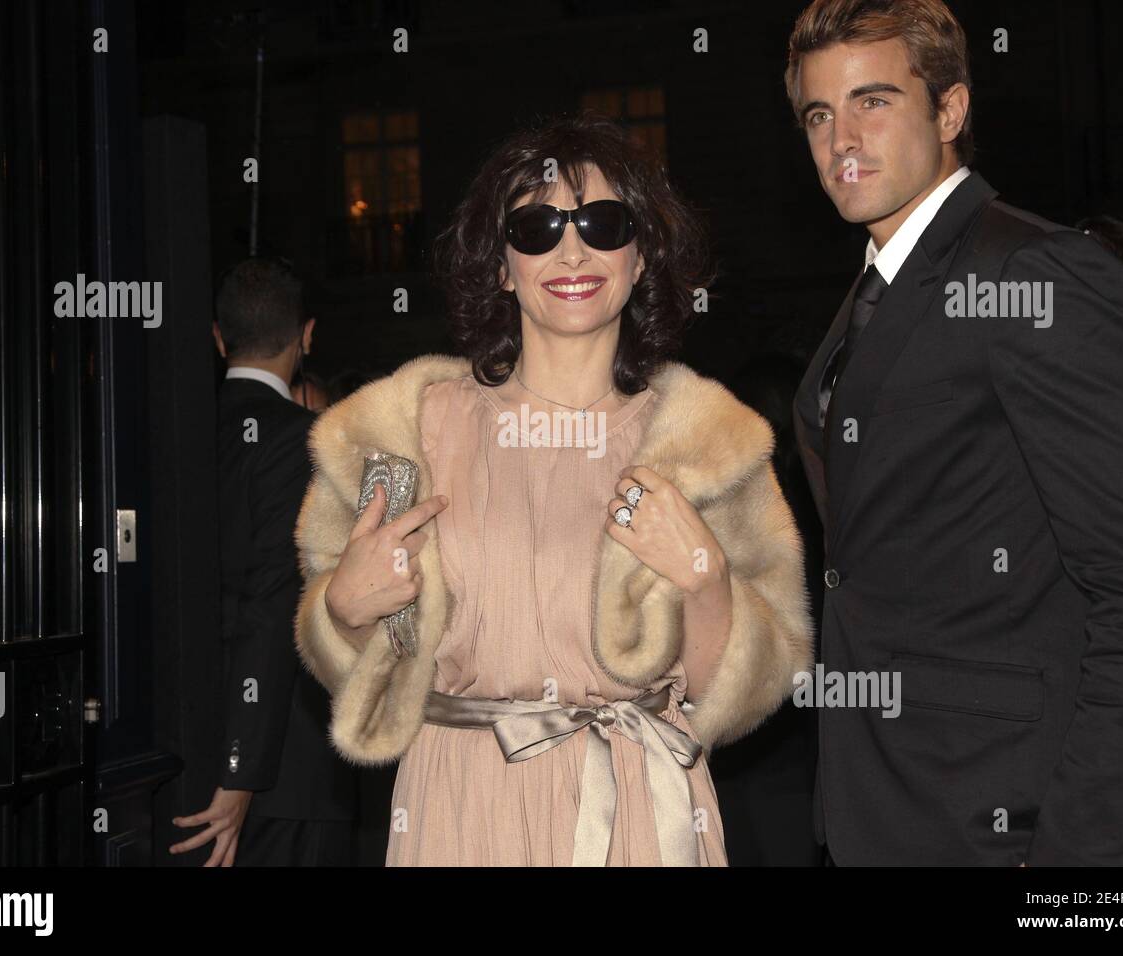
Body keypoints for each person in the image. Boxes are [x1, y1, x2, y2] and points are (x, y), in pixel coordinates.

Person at [293, 112, 813, 866]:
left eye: (604, 223)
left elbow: (737, 696)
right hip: (463, 806)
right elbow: (361, 663)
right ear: (502, 264)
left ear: (641, 257)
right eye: (536, 228)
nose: (573, 248)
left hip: (642, 808)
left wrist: (705, 579)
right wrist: (342, 609)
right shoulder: (408, 431)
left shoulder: (707, 444)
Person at [785, 0, 1123, 865]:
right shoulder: (871, 293)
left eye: (874, 101)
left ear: (950, 111)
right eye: (819, 113)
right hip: (883, 809)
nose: (841, 138)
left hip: (1007, 822)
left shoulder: (1034, 273)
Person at [170, 256, 360, 866]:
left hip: (183, 749)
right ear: (306, 336)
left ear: (219, 338)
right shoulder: (305, 440)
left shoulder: (171, 436)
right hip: (284, 771)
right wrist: (239, 773)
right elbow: (273, 606)